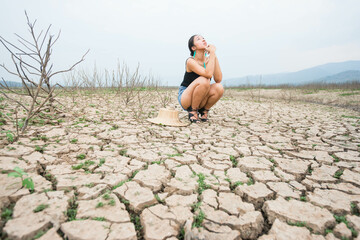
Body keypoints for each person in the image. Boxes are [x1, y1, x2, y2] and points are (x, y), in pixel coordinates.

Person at [178, 34, 224, 123]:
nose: (203, 40)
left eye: (203, 38)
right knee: (204, 79)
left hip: (201, 95)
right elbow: (208, 74)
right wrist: (212, 53)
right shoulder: (190, 61)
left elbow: (218, 79)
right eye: (199, 39)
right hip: (186, 97)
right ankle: (193, 111)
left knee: (219, 87)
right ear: (193, 48)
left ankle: (204, 110)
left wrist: (213, 56)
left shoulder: (209, 60)